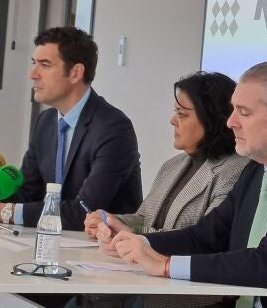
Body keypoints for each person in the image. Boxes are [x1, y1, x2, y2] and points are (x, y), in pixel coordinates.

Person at [100, 60, 267, 308]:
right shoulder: (257, 169)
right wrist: (139, 243)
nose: (230, 122)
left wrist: (166, 265)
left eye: (244, 113)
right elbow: (205, 236)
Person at [0, 26, 143, 308]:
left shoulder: (113, 127)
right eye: (34, 63)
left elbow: (85, 210)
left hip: (96, 265)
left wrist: (5, 211)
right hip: (48, 250)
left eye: (45, 65)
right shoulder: (47, 122)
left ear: (76, 72)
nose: (33, 74)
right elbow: (28, 190)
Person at [79, 71, 248, 307]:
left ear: (212, 119)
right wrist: (111, 221)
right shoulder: (173, 165)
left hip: (187, 294)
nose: (172, 121)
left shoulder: (237, 170)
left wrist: (134, 235)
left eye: (182, 114)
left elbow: (203, 240)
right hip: (143, 279)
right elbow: (144, 217)